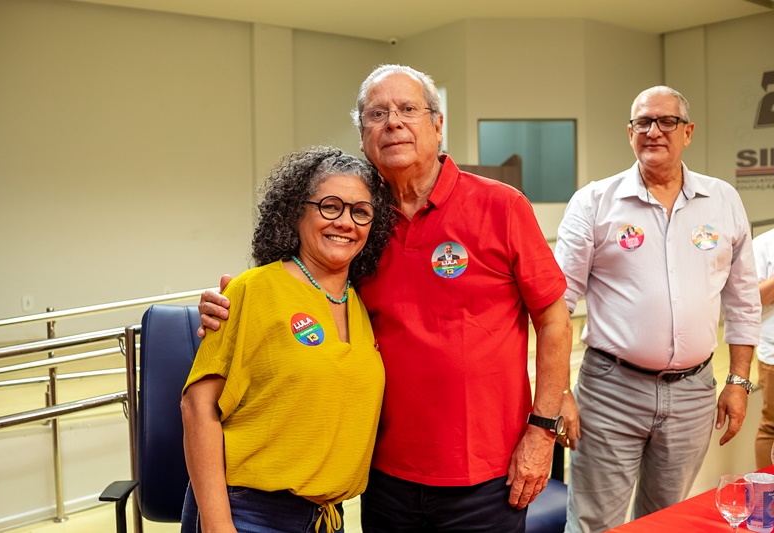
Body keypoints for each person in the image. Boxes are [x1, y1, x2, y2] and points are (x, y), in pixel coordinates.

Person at [199, 64, 573, 532]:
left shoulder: (502, 206)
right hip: (384, 474)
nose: (392, 122)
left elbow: (555, 320)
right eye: (377, 113)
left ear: (438, 124)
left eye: (407, 109)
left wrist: (544, 425)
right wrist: (227, 304)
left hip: (487, 474)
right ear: (363, 137)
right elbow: (297, 283)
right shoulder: (361, 224)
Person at [554, 86, 761, 533]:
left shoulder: (723, 201)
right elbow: (557, 305)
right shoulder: (594, 203)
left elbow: (743, 299)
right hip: (611, 392)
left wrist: (739, 381)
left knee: (666, 522)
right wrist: (559, 392)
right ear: (629, 133)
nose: (654, 131)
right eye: (643, 122)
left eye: (667, 121)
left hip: (693, 394)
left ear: (687, 132)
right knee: (594, 523)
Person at [180, 146, 394, 533]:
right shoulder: (253, 290)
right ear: (297, 211)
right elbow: (198, 407)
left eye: (360, 211)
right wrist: (216, 525)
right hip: (247, 514)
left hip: (326, 519)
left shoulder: (361, 305)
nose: (346, 222)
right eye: (330, 206)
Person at [754, 227, 774, 468]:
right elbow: (755, 297)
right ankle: (767, 496)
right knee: (771, 426)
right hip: (773, 355)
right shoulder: (764, 244)